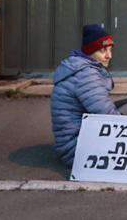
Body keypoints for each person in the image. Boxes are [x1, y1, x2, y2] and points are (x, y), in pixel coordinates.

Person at [50, 23, 119, 166]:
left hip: (77, 140)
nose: (109, 55)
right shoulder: (85, 74)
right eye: (102, 50)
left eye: (110, 49)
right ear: (90, 51)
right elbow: (106, 114)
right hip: (77, 150)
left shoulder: (80, 67)